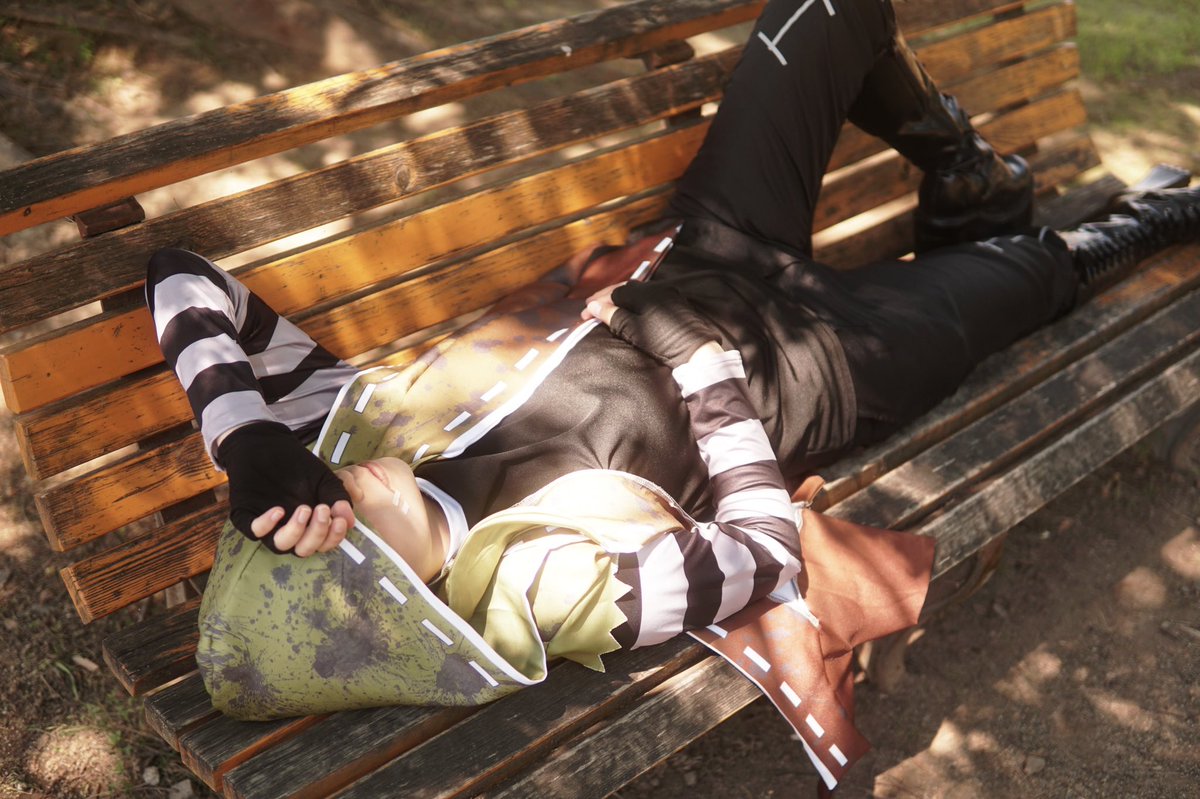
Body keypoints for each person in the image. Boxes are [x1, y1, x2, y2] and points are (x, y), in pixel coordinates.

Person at [147, 0, 1200, 786]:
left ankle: (964, 172)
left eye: (309, 487)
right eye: (339, 527)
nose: (335, 481)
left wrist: (248, 443)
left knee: (829, 8)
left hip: (708, 243)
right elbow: (761, 558)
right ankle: (1144, 218)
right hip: (820, 368)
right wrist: (698, 363)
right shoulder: (552, 589)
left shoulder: (353, 434)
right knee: (1037, 277)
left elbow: (183, 278)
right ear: (394, 602)